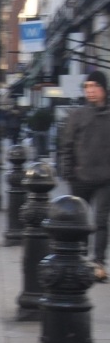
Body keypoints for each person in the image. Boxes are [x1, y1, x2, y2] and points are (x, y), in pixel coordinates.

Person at [58, 70, 110, 283]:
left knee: (100, 221)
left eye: (94, 86)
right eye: (87, 87)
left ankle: (98, 262)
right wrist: (69, 172)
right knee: (79, 222)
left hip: (106, 177)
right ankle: (78, 258)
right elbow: (67, 146)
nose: (90, 91)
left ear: (104, 89)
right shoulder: (77, 115)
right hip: (80, 177)